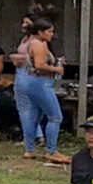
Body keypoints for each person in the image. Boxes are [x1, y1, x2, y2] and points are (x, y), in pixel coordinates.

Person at [15, 18, 65, 158]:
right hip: (41, 82)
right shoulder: (39, 45)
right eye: (49, 31)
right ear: (40, 32)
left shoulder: (32, 43)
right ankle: (52, 150)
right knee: (55, 117)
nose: (51, 34)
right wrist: (57, 69)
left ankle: (29, 149)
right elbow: (39, 64)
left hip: (31, 81)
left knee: (34, 116)